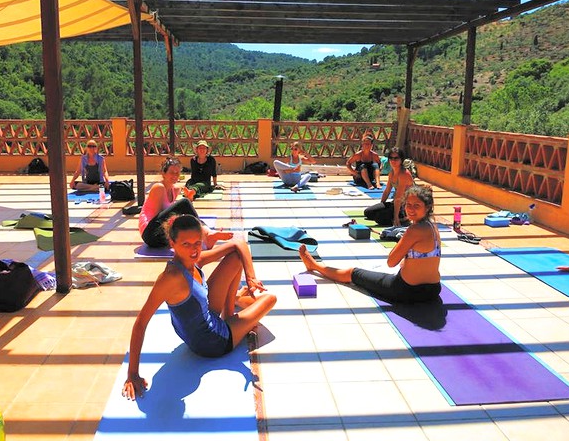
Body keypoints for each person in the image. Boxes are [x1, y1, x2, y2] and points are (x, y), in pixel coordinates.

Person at [122, 214, 277, 400]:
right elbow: (140, 323)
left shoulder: (193, 260)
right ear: (172, 243)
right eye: (186, 244)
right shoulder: (170, 279)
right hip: (213, 342)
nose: (193, 250)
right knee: (270, 299)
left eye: (197, 243)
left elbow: (239, 244)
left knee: (236, 257)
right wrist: (132, 373)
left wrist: (251, 277)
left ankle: (232, 310)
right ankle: (235, 311)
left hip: (207, 316)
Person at [299, 184, 441, 304]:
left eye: (416, 205)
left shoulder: (413, 230)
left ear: (427, 207)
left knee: (353, 273)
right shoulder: (433, 227)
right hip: (433, 291)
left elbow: (391, 262)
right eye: (408, 205)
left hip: (407, 292)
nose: (410, 209)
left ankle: (315, 266)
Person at [139, 157, 229, 248]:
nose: (175, 175)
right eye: (172, 172)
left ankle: (207, 235)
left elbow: (187, 211)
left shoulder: (175, 189)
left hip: (162, 237)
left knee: (186, 214)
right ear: (163, 173)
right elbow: (157, 218)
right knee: (184, 203)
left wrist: (190, 198)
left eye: (177, 173)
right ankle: (207, 234)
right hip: (150, 234)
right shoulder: (159, 187)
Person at [364, 147, 415, 226]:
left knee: (379, 218)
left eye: (396, 158)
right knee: (368, 213)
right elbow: (387, 191)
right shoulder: (392, 173)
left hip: (406, 205)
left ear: (401, 159)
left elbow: (399, 197)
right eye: (391, 158)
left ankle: (404, 217)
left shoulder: (404, 174)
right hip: (396, 202)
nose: (393, 161)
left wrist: (395, 217)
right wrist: (381, 205)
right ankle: (392, 215)